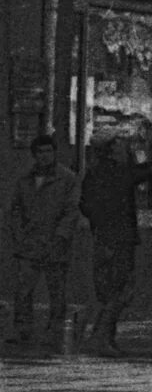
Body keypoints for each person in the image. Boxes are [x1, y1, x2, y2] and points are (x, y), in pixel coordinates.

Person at [79, 130, 152, 353]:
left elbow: (84, 205)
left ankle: (105, 336)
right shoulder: (119, 173)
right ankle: (101, 336)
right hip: (120, 240)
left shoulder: (94, 173)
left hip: (102, 237)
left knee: (109, 291)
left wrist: (99, 224)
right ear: (112, 151)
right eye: (121, 148)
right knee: (122, 290)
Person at [8, 133, 85, 348]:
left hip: (55, 242)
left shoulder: (67, 178)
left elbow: (71, 210)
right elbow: (15, 209)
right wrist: (19, 234)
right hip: (30, 242)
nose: (44, 156)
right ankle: (22, 330)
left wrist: (61, 236)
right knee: (24, 289)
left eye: (48, 151)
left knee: (56, 290)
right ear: (34, 154)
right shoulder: (25, 179)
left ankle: (54, 331)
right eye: (40, 152)